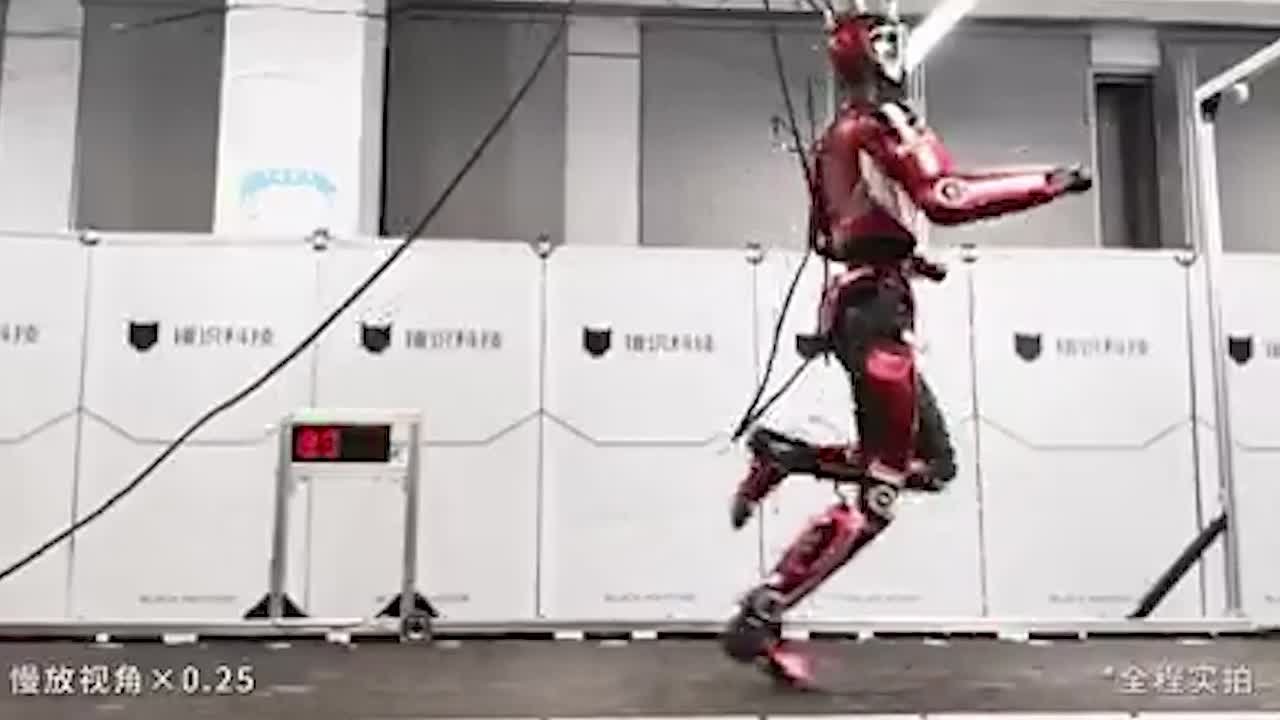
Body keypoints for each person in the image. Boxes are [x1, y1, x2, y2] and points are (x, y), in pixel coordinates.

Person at [720, 0, 1093, 686]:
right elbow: (948, 197)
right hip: (878, 316)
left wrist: (903, 255)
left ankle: (787, 457)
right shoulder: (889, 122)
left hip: (858, 307)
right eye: (888, 40)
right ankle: (764, 611)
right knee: (882, 492)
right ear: (870, 52)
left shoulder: (836, 135)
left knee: (933, 464)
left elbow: (827, 236)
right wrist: (1046, 184)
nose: (897, 52)